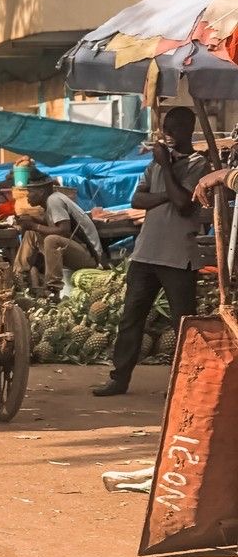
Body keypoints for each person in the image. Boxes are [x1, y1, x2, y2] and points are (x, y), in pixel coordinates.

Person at [93, 106, 210, 396]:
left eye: (173, 128)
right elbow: (137, 200)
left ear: (187, 130)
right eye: (164, 128)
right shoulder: (155, 164)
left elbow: (184, 204)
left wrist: (168, 169)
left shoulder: (199, 165)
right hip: (146, 253)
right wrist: (165, 195)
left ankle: (189, 384)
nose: (167, 134)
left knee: (184, 323)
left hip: (178, 256)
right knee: (131, 318)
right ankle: (119, 379)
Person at [12, 166, 102, 296]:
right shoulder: (51, 200)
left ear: (41, 191)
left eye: (30, 192)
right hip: (78, 249)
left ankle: (52, 288)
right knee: (32, 234)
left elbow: (63, 230)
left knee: (51, 240)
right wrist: (32, 222)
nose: (27, 196)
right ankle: (19, 278)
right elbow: (53, 226)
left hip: (90, 256)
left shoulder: (54, 200)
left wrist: (34, 225)